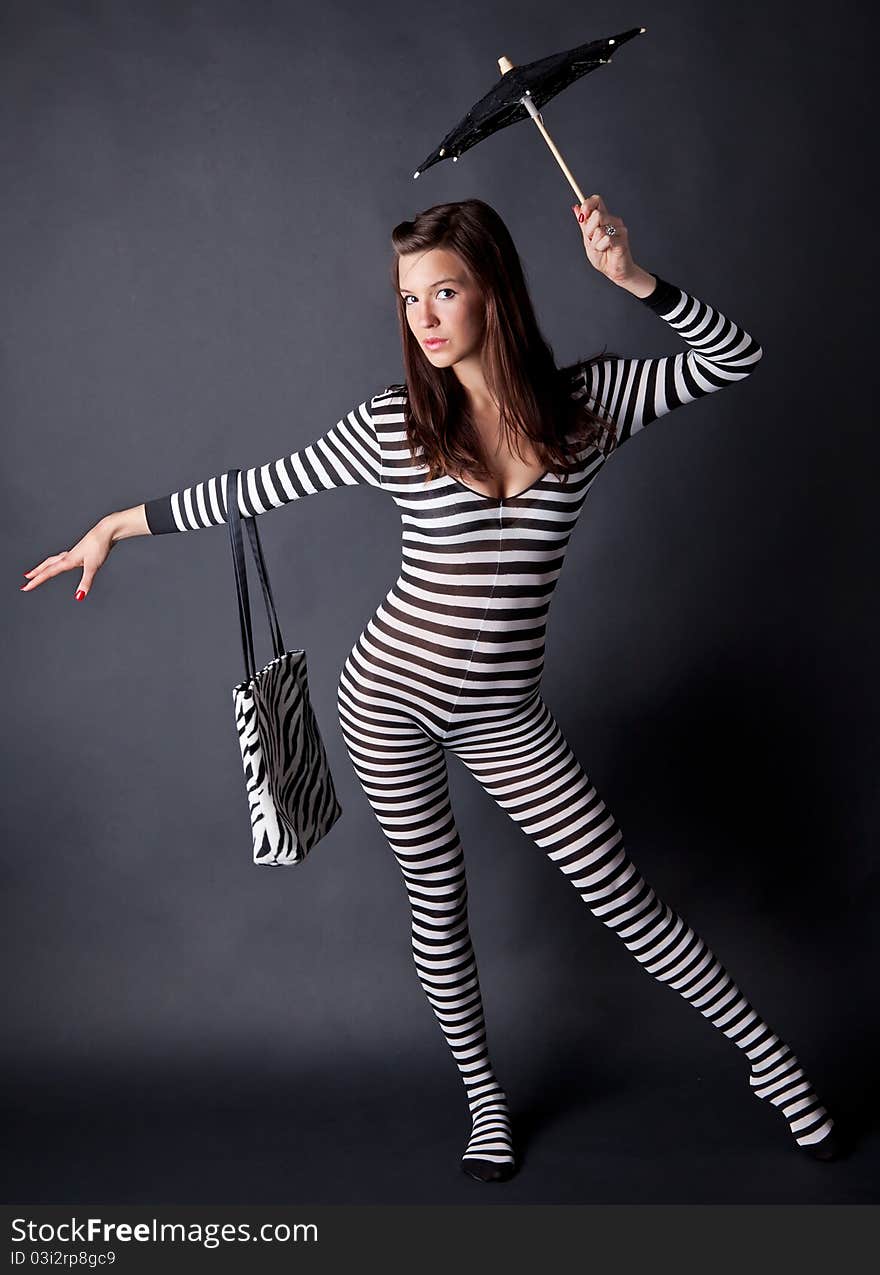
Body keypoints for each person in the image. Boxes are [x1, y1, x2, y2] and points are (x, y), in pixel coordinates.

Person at [21, 195, 846, 1181]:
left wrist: (633, 279)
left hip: (504, 717)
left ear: (493, 293)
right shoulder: (394, 427)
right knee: (438, 902)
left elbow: (733, 358)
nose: (422, 317)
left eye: (443, 290)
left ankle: (773, 1069)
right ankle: (484, 1105)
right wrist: (115, 523)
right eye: (408, 298)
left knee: (623, 898)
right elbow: (250, 490)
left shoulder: (591, 409)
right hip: (384, 701)